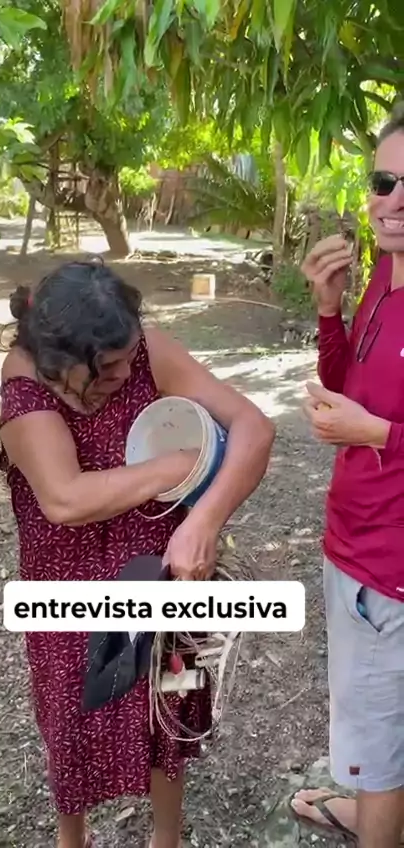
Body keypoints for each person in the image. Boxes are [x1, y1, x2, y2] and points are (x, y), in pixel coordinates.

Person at [0, 259, 275, 848]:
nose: (129, 370)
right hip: (69, 584)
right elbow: (66, 499)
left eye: (130, 354)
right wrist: (177, 466)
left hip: (165, 570)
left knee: (167, 705)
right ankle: (73, 838)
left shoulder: (142, 349)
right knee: (71, 715)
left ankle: (165, 837)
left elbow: (254, 427)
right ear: (60, 360)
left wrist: (204, 520)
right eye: (109, 365)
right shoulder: (25, 380)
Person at [296, 108, 404, 848]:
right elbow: (348, 383)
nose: (395, 199)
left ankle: (376, 818)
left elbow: (371, 420)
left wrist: (376, 435)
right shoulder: (387, 272)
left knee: (380, 753)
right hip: (352, 538)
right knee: (378, 727)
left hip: (387, 568)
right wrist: (329, 309)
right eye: (384, 180)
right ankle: (368, 809)